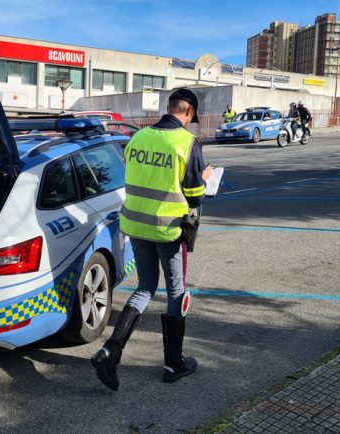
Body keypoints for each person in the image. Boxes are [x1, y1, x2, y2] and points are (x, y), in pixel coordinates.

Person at [91, 88, 212, 391]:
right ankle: (174, 363)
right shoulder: (187, 143)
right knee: (176, 291)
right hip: (167, 228)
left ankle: (111, 351)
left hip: (135, 223)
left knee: (145, 286)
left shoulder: (138, 138)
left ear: (169, 108)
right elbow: (195, 195)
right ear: (188, 113)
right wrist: (205, 179)